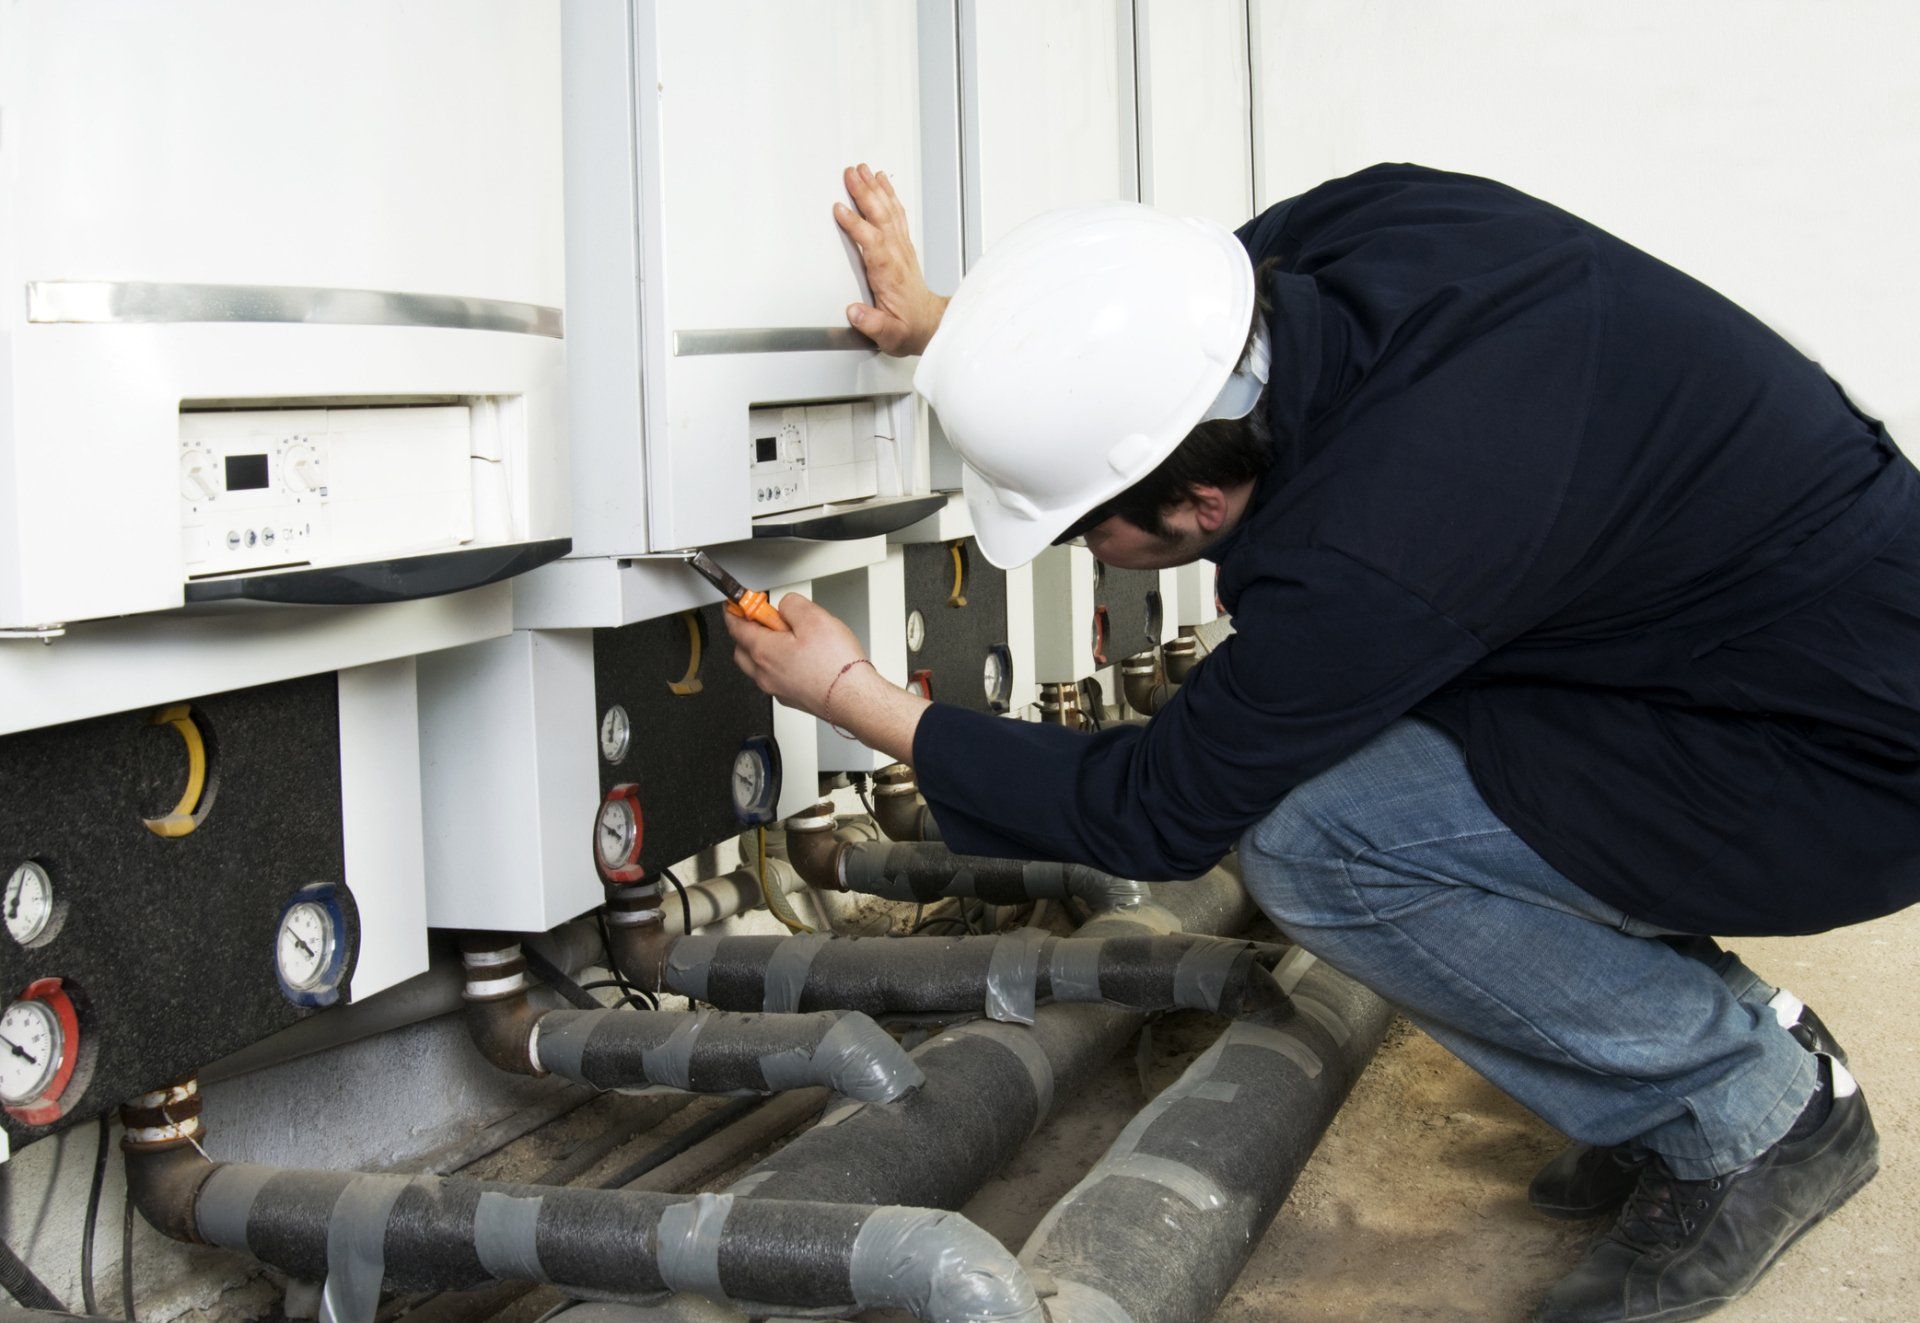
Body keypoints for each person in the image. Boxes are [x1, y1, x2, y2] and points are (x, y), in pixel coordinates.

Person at [726, 160, 1919, 1322]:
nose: (1084, 552)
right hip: (1785, 643)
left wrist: (852, 694)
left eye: (1085, 529)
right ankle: (1725, 1044)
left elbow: (1153, 808)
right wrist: (961, 337)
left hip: (1839, 764)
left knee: (1325, 839)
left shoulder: (1376, 548)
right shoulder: (1362, 226)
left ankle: (1750, 1109)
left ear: (1196, 506)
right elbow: (1148, 343)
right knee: (1400, 743)